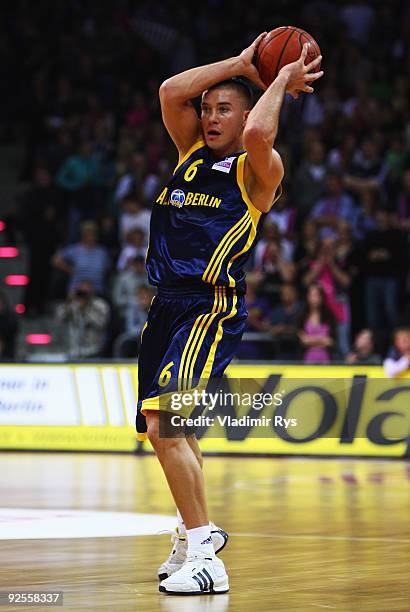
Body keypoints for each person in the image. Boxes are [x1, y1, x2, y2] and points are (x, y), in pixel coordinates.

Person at [136, 34, 323, 596]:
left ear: (246, 113)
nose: (210, 117)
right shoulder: (190, 155)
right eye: (208, 109)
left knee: (164, 424)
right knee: (179, 431)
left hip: (208, 306)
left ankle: (205, 551)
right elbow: (171, 91)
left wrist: (280, 82)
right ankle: (190, 536)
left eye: (224, 109)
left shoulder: (256, 169)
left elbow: (261, 132)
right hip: (165, 306)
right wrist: (241, 65)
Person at [55, 280, 110, 358]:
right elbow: (59, 319)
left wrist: (85, 310)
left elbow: (101, 324)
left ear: (92, 292)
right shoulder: (72, 304)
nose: (83, 295)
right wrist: (68, 302)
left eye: (86, 292)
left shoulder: (100, 305)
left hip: (93, 350)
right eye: (81, 292)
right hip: (72, 350)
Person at [298, 284, 336, 364]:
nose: (314, 298)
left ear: (322, 297)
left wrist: (310, 340)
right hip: (307, 359)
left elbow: (331, 341)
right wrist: (322, 339)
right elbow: (303, 341)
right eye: (311, 295)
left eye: (316, 295)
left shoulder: (329, 316)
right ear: (307, 297)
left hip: (326, 359)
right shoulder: (301, 317)